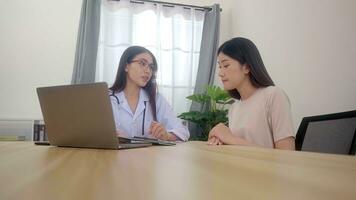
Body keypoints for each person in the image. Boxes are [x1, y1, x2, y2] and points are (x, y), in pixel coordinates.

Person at [208, 37, 295, 150]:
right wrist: (222, 140)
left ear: (247, 67)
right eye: (220, 66)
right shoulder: (234, 108)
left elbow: (286, 154)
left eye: (226, 65)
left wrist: (230, 138)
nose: (220, 73)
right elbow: (239, 148)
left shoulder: (274, 95)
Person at [109, 46, 189, 141]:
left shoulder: (156, 100)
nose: (148, 71)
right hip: (113, 155)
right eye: (142, 63)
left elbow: (183, 131)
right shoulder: (107, 98)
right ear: (126, 66)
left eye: (151, 67)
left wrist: (167, 135)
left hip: (147, 155)